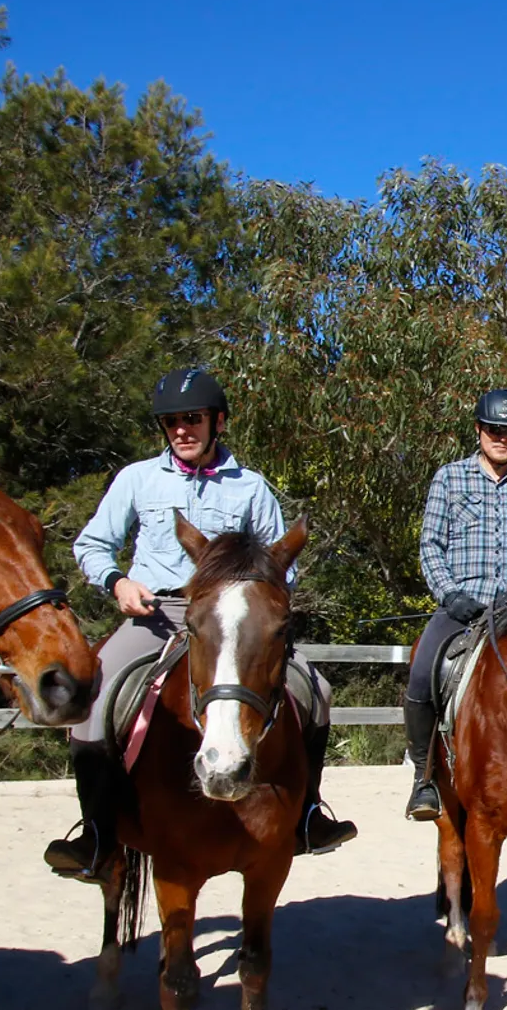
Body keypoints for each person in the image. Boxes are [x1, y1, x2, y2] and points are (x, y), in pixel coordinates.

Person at [43, 368, 355, 882]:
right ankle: (96, 832)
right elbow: (92, 544)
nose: (181, 430)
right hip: (156, 614)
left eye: (192, 418)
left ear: (218, 422)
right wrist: (119, 582)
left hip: (233, 623)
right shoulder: (137, 480)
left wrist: (256, 598)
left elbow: (282, 565)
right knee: (95, 697)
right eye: (171, 422)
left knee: (315, 689)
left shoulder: (251, 487)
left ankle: (307, 814)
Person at [401, 387, 507, 820]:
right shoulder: (449, 478)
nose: (502, 437)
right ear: (478, 429)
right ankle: (424, 777)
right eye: (494, 429)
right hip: (461, 607)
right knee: (422, 674)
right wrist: (450, 594)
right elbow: (430, 545)